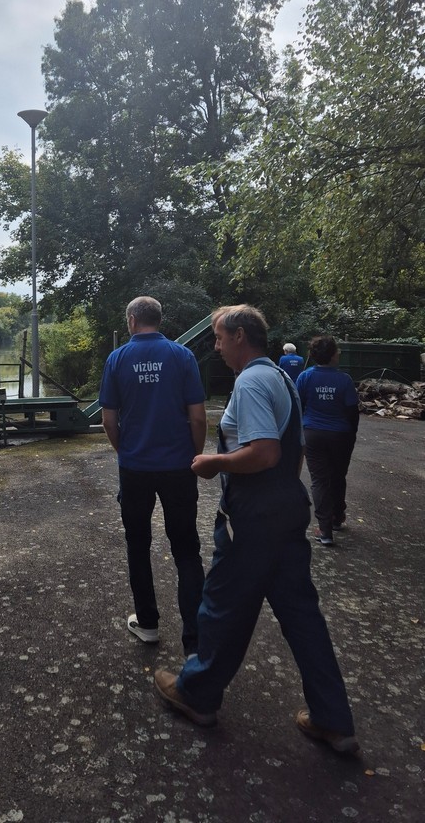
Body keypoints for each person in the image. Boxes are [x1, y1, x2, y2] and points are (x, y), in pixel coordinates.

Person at [153, 304, 359, 755]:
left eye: (219, 337)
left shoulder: (250, 383)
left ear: (240, 336)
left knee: (221, 605)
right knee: (302, 617)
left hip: (252, 518)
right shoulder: (283, 377)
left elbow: (264, 452)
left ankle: (196, 694)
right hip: (286, 509)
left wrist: (214, 462)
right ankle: (333, 720)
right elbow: (291, 452)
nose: (217, 346)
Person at [99, 296, 207, 655]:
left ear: (132, 320)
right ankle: (195, 640)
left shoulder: (117, 359)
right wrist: (194, 456)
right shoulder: (182, 356)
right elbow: (198, 417)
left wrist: (125, 452)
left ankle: (147, 624)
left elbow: (109, 420)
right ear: (158, 319)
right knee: (187, 549)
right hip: (178, 467)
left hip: (136, 468)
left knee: (138, 544)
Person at [296, 335, 359, 546]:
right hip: (340, 435)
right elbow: (352, 411)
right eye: (337, 351)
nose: (339, 353)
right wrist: (351, 434)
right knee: (338, 475)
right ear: (332, 355)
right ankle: (337, 517)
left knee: (319, 480)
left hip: (313, 433)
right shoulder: (344, 380)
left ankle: (324, 530)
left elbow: (298, 405)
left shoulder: (305, 377)